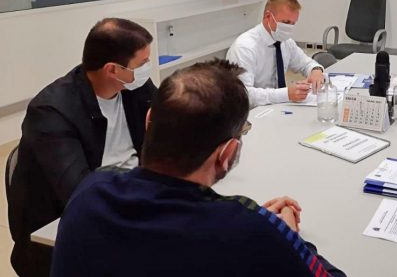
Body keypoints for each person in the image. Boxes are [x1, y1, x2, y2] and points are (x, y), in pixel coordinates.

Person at [50, 59, 346, 277]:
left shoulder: (90, 192)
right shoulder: (253, 232)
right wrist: (288, 236)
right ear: (227, 153)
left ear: (149, 120)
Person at [9, 18, 156, 277]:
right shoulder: (51, 111)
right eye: (142, 63)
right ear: (112, 69)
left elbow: (169, 126)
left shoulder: (134, 86)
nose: (147, 69)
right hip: (70, 232)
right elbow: (80, 193)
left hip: (132, 199)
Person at [227, 0, 324, 108]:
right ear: (268, 16)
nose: (289, 28)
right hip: (252, 112)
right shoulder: (245, 48)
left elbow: (305, 64)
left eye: (293, 23)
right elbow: (243, 94)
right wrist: (286, 94)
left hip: (277, 108)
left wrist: (316, 71)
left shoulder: (286, 42)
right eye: (286, 22)